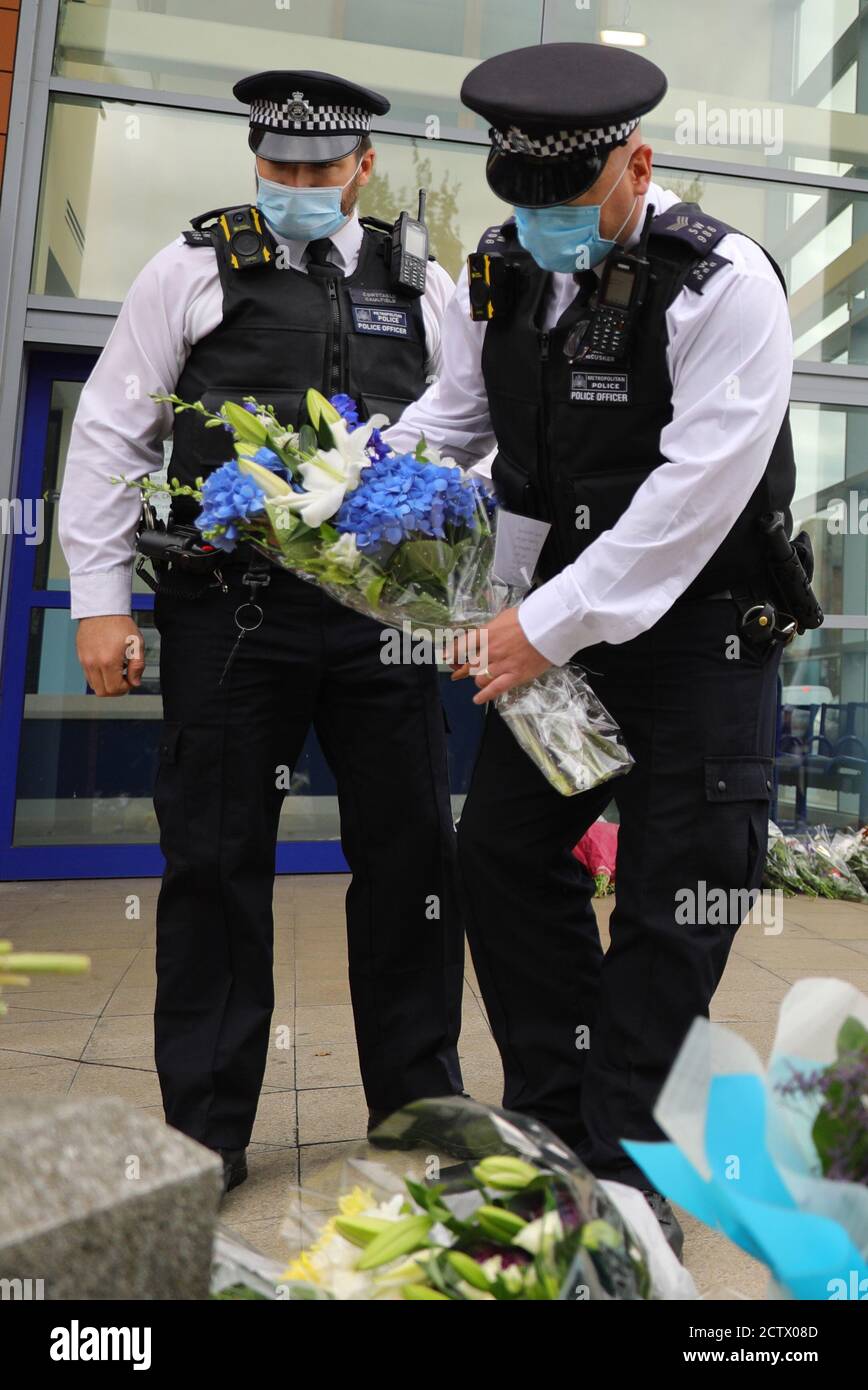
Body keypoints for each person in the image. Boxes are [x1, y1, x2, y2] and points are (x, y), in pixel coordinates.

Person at [385, 42, 796, 1253]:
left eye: (567, 206)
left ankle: (622, 1171)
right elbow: (459, 416)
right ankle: (553, 1123)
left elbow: (685, 506)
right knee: (503, 857)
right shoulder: (502, 269)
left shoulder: (725, 285)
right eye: (523, 204)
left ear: (637, 164)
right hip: (564, 637)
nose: (542, 227)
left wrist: (533, 625)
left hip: (702, 643)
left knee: (677, 904)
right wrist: (359, 485)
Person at [59, 71, 465, 1194]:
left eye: (317, 171)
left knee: (411, 861)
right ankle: (205, 1130)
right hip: (230, 619)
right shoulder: (188, 270)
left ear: (362, 168)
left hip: (384, 621)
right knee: (215, 864)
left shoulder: (423, 285)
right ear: (254, 160)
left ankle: (419, 1103)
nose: (294, 188)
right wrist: (102, 601)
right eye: (276, 168)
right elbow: (109, 437)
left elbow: (469, 435)